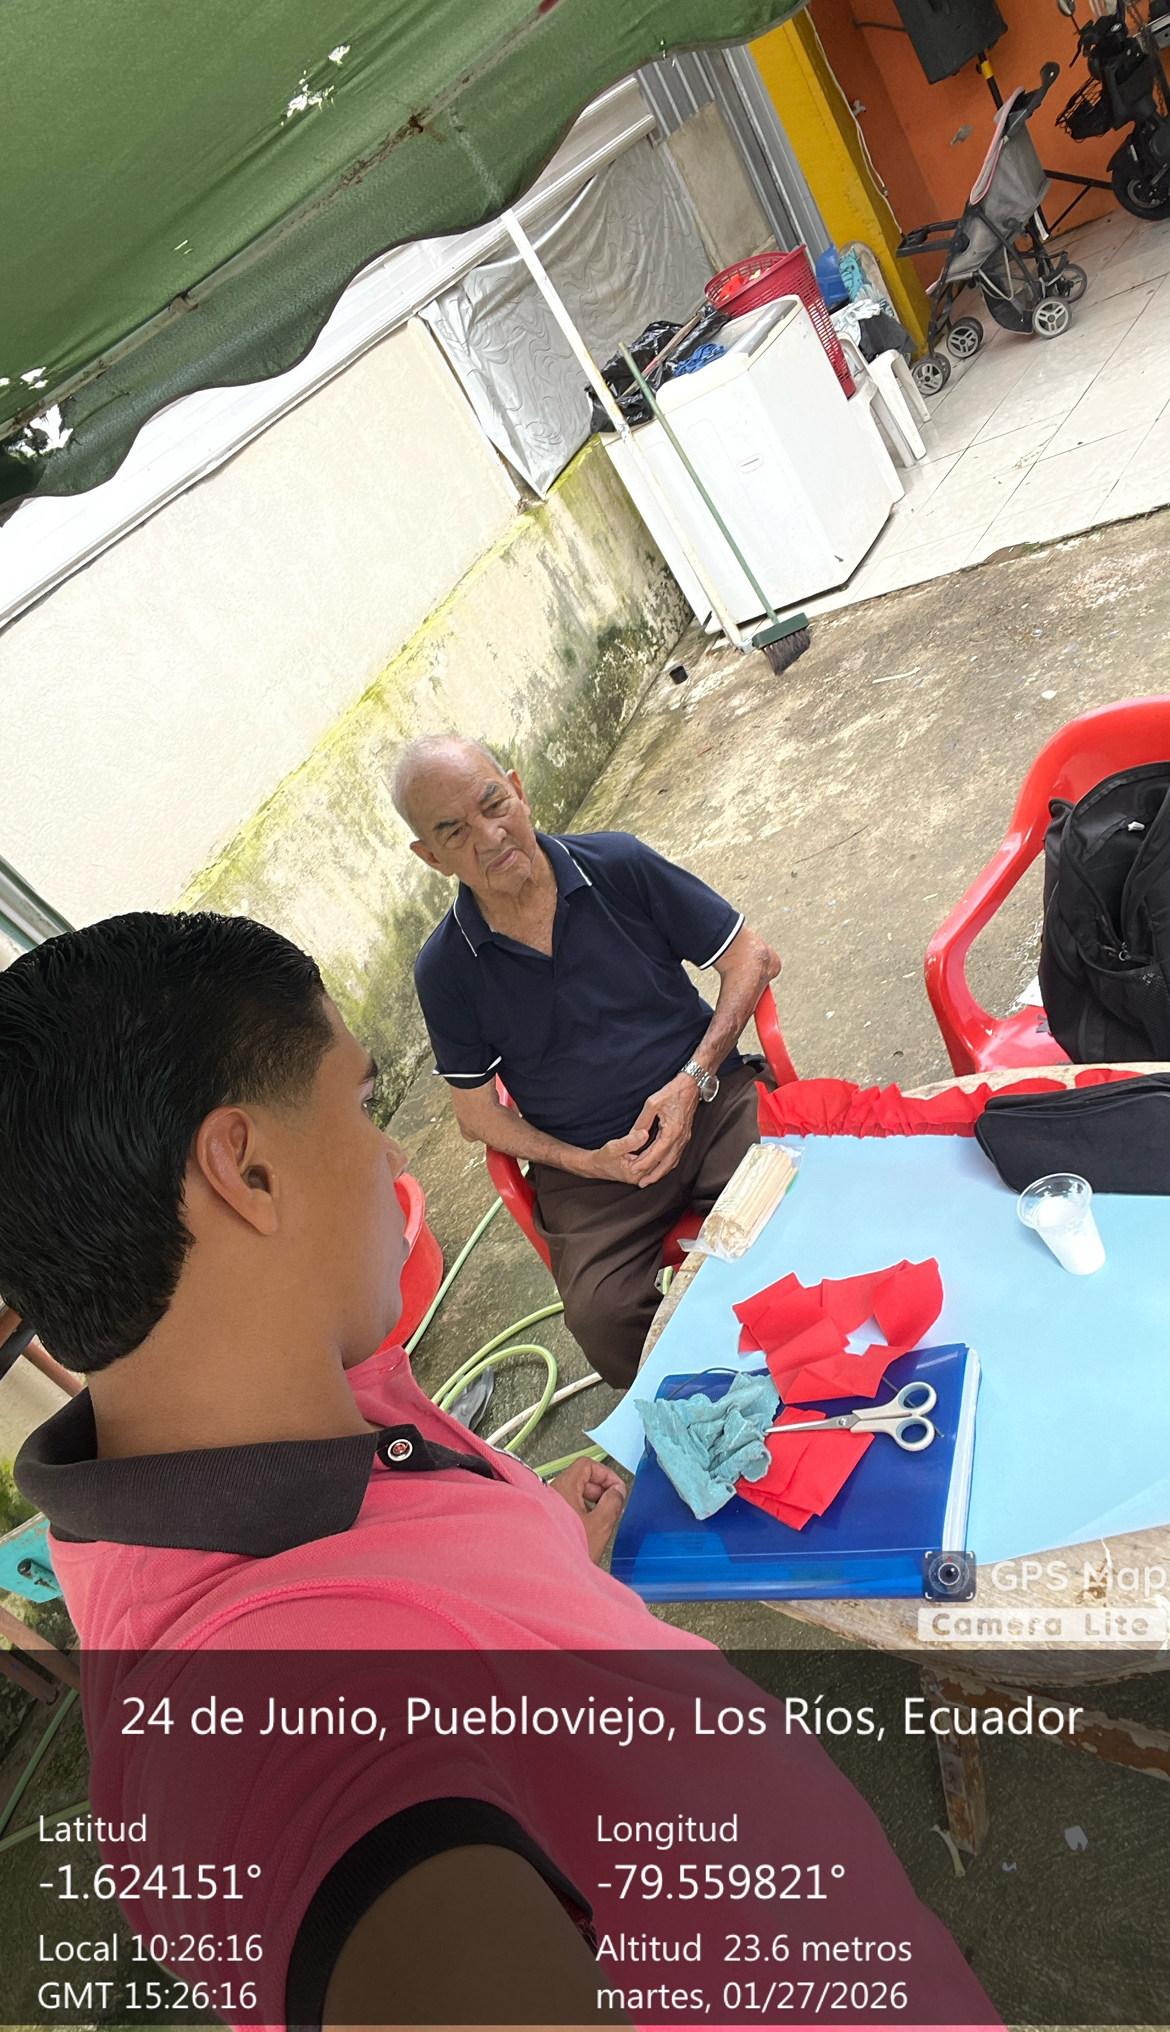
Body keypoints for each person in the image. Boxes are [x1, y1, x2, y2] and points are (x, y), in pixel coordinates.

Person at [3, 913, 994, 2032]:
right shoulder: (250, 1721)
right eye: (362, 1107)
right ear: (249, 1170)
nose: (392, 1159)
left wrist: (540, 1550)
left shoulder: (307, 1395)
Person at [395, 734, 782, 1387]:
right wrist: (586, 1162)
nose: (490, 836)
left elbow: (753, 957)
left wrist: (692, 1081)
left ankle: (813, 1357)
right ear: (431, 858)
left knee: (793, 1203)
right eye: (455, 833)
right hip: (591, 1170)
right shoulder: (445, 969)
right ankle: (723, 1405)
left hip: (709, 1101)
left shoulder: (618, 864)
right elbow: (476, 1116)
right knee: (602, 1317)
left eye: (494, 804)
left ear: (518, 790)